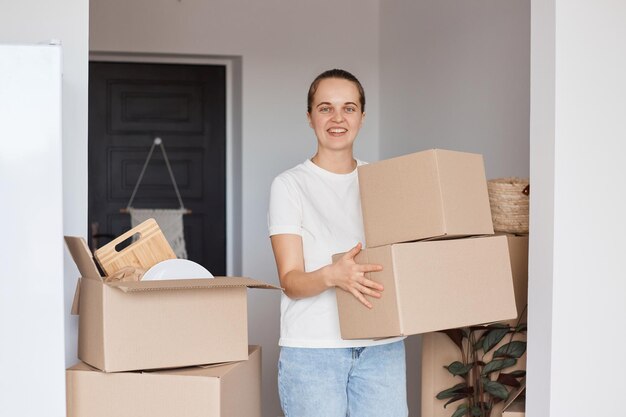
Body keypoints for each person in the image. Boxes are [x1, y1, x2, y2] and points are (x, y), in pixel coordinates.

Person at [268, 69, 408, 417]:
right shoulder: (289, 186)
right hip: (314, 351)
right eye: (325, 107)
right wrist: (333, 275)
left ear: (362, 116)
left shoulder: (382, 182)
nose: (337, 118)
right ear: (310, 116)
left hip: (381, 348)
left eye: (348, 108)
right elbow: (290, 281)